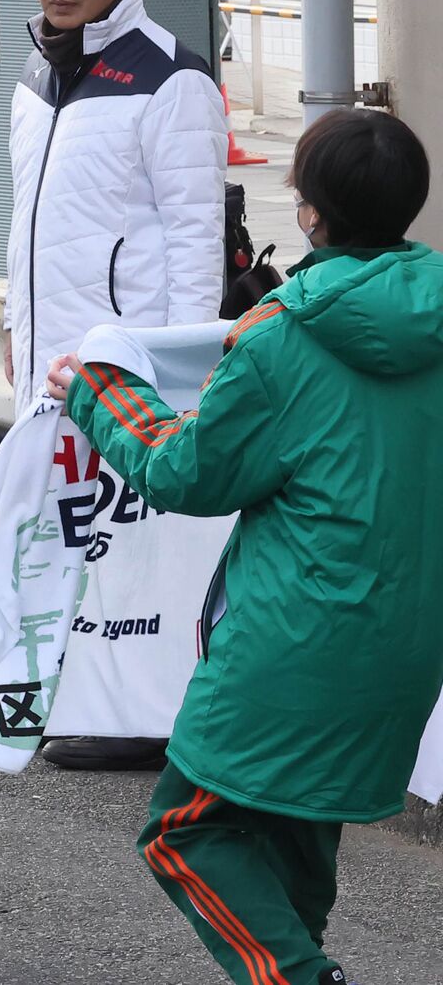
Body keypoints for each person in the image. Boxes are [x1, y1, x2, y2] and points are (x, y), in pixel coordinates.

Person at [47, 108, 443, 985]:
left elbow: (184, 471)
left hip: (291, 640)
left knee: (187, 832)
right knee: (294, 846)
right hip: (406, 640)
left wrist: (97, 390)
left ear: (309, 214)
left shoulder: (282, 337)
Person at [5, 0, 228, 771]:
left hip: (128, 363)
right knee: (70, 532)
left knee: (138, 540)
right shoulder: (35, 72)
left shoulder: (172, 75)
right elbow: (29, 224)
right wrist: (22, 338)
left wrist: (181, 370)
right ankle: (84, 694)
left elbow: (194, 235)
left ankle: (148, 716)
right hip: (49, 356)